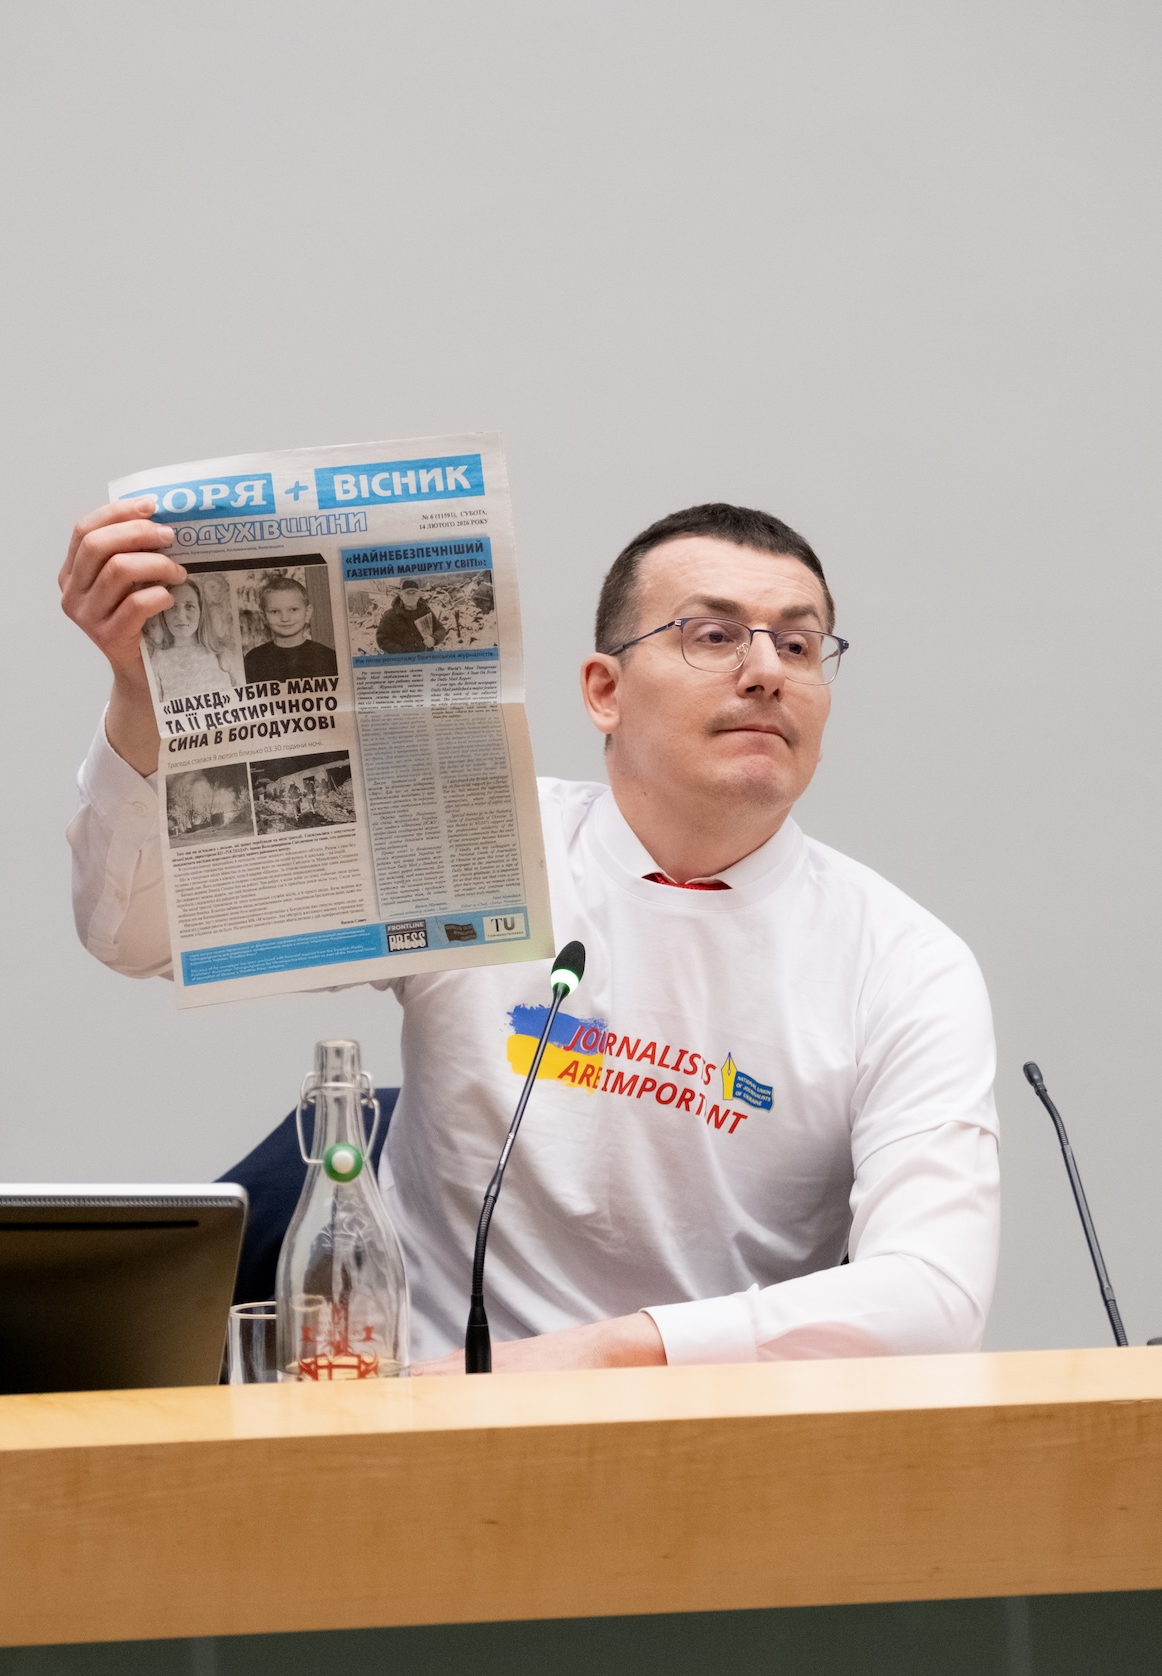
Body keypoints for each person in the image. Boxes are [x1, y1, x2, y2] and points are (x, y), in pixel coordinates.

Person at [61, 496, 998, 1371]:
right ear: (604, 691)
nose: (766, 671)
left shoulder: (902, 963)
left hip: (713, 1434)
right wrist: (143, 699)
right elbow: (138, 934)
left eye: (798, 644)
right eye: (713, 636)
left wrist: (587, 1361)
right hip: (431, 1432)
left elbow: (936, 1295)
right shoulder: (480, 845)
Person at [145, 579, 235, 704]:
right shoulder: (158, 659)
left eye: (189, 606)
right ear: (163, 614)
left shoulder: (222, 653)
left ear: (201, 611)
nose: (181, 616)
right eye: (172, 607)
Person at [242, 575, 337, 682]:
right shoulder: (254, 659)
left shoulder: (328, 657)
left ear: (307, 612)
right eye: (275, 611)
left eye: (293, 609)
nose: (285, 618)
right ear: (264, 616)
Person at [375, 581, 447, 654]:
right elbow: (382, 640)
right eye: (407, 593)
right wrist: (403, 651)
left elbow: (440, 629)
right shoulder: (390, 615)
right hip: (402, 659)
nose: (411, 596)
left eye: (414, 593)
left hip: (425, 656)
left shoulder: (425, 611)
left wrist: (433, 639)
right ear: (401, 596)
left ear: (418, 596)